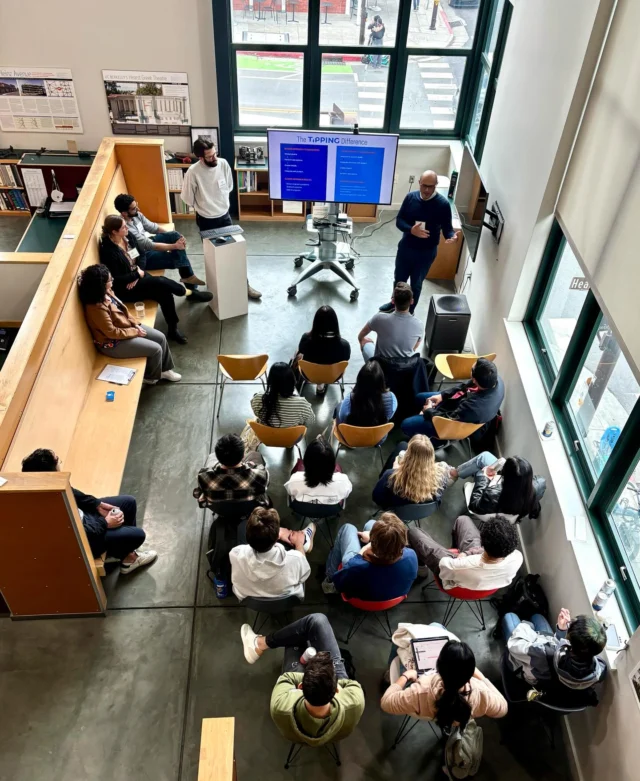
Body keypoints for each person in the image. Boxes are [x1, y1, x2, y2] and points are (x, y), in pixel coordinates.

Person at [21, 448, 156, 575]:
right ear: (51, 472)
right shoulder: (46, 509)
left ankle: (125, 553)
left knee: (128, 502)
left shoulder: (49, 484)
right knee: (138, 535)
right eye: (58, 461)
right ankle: (128, 559)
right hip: (85, 539)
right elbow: (77, 534)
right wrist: (105, 522)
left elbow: (73, 492)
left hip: (87, 519)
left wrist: (97, 504)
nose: (60, 465)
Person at [239, 614, 365, 747]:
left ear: (300, 687)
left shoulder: (280, 705)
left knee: (296, 636)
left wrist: (313, 677)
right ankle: (259, 644)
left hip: (298, 722)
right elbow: (350, 683)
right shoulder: (356, 700)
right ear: (337, 689)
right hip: (335, 730)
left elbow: (287, 678)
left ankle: (259, 644)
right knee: (314, 624)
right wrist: (324, 677)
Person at [180, 137, 261, 300]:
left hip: (224, 217)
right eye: (209, 156)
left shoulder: (223, 164)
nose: (214, 158)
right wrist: (204, 203)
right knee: (213, 258)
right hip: (206, 220)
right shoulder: (193, 172)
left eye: (214, 154)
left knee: (234, 253)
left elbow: (229, 186)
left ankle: (243, 285)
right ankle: (217, 290)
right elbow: (187, 198)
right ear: (200, 157)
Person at [77, 264, 180, 384]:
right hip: (113, 343)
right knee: (156, 349)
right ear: (100, 284)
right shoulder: (96, 308)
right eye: (110, 280)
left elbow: (123, 310)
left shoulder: (107, 292)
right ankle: (151, 377)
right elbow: (112, 332)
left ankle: (165, 370)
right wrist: (135, 332)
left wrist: (135, 324)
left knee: (161, 337)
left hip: (126, 327)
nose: (113, 281)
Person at [98, 214, 189, 344]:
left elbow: (142, 255)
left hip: (138, 276)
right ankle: (181, 290)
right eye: (124, 227)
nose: (127, 228)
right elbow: (116, 278)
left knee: (164, 293)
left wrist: (138, 272)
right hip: (125, 288)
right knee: (160, 282)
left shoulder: (128, 236)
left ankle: (173, 328)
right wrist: (136, 275)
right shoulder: (108, 251)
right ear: (114, 231)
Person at [381, 635, 507, 726]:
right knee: (437, 626)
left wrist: (406, 676)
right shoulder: (481, 694)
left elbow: (386, 703)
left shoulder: (420, 691)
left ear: (438, 667)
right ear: (469, 675)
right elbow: (503, 709)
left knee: (399, 641)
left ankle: (388, 677)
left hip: (423, 705)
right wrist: (482, 679)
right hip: (453, 720)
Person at [379, 171, 457, 314]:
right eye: (424, 186)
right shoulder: (410, 198)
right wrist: (411, 230)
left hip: (426, 253)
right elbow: (399, 221)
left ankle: (410, 312)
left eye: (431, 187)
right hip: (406, 248)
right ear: (419, 183)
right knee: (399, 280)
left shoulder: (443, 205)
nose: (427, 190)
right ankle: (394, 304)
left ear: (436, 186)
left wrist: (451, 236)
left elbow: (447, 228)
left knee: (416, 284)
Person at [114, 193, 210, 298]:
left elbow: (154, 228)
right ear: (124, 213)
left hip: (147, 241)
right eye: (133, 208)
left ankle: (189, 279)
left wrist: (173, 237)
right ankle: (192, 289)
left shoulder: (137, 215)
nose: (138, 209)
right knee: (177, 258)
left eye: (136, 205)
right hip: (143, 255)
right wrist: (175, 246)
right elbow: (149, 245)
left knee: (174, 235)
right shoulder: (126, 229)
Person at [504, 608, 607, 696]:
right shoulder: (600, 669)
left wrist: (527, 625)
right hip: (553, 682)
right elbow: (563, 655)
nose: (569, 623)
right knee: (537, 617)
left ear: (569, 642)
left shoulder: (542, 653)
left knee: (510, 617)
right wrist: (561, 632)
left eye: (570, 625)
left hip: (536, 673)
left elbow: (514, 645)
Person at [408, 515, 522, 592]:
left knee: (414, 533)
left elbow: (444, 566)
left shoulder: (458, 566)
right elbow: (481, 553)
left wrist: (461, 558)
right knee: (463, 519)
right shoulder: (517, 557)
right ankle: (458, 547)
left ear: (482, 541)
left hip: (455, 573)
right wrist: (468, 553)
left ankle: (422, 571)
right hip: (484, 580)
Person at [401, 357, 504, 440]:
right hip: (460, 404)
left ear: (474, 379)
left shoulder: (473, 408)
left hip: (452, 424)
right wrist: (442, 395)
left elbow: (448, 419)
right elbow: (465, 386)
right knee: (419, 397)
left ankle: (432, 439)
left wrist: (429, 410)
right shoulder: (495, 380)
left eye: (472, 370)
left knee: (405, 425)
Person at [321, 512, 418, 600]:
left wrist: (363, 550)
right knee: (371, 523)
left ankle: (329, 584)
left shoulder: (355, 566)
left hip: (365, 597)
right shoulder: (411, 555)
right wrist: (374, 540)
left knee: (348, 528)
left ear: (373, 546)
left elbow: (339, 583)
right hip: (393, 594)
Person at [229, 507, 316, 600]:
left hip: (250, 598)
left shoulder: (235, 554)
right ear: (276, 540)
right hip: (285, 599)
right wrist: (298, 543)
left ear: (248, 537)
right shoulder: (295, 559)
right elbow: (304, 574)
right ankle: (303, 539)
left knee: (242, 525)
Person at [452, 452, 546, 522]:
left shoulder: (492, 494)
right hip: (512, 513)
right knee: (485, 457)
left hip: (488, 511)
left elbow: (474, 505)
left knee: (483, 458)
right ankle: (454, 473)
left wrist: (483, 476)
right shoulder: (539, 484)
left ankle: (452, 475)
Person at [373, 435, 452, 509]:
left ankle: (381, 477)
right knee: (403, 445)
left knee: (402, 445)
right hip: (418, 511)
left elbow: (376, 498)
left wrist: (394, 471)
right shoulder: (441, 477)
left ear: (408, 455)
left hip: (394, 507)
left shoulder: (392, 476)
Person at [193, 433, 270, 509]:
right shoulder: (261, 475)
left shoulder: (203, 477)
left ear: (218, 457)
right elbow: (264, 487)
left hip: (220, 510)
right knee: (255, 455)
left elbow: (198, 494)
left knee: (210, 457)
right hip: (247, 509)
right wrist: (250, 465)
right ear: (243, 456)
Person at [359, 282, 423, 362]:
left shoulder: (379, 318)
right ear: (412, 301)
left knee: (366, 343)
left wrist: (362, 340)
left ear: (393, 301)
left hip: (380, 367)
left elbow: (361, 335)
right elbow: (414, 348)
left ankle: (371, 370)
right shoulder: (419, 325)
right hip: (404, 368)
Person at [296, 305, 351, 396]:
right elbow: (346, 358)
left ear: (315, 323)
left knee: (297, 353)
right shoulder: (344, 345)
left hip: (309, 375)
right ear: (335, 323)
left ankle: (314, 384)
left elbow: (301, 350)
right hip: (334, 376)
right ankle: (321, 386)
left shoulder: (306, 339)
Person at [285, 436, 353, 506]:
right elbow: (345, 495)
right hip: (330, 510)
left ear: (305, 462)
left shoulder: (294, 480)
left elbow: (290, 492)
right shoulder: (343, 482)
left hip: (303, 509)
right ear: (333, 464)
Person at [335, 359, 397, 430]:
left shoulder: (349, 399)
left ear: (359, 380)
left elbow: (342, 417)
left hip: (352, 438)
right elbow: (389, 416)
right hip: (377, 438)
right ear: (381, 381)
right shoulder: (391, 398)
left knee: (339, 407)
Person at [251, 362, 315, 429]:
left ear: (270, 381)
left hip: (265, 437)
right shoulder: (302, 404)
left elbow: (256, 412)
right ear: (292, 381)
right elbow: (310, 421)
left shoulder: (258, 398)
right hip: (292, 438)